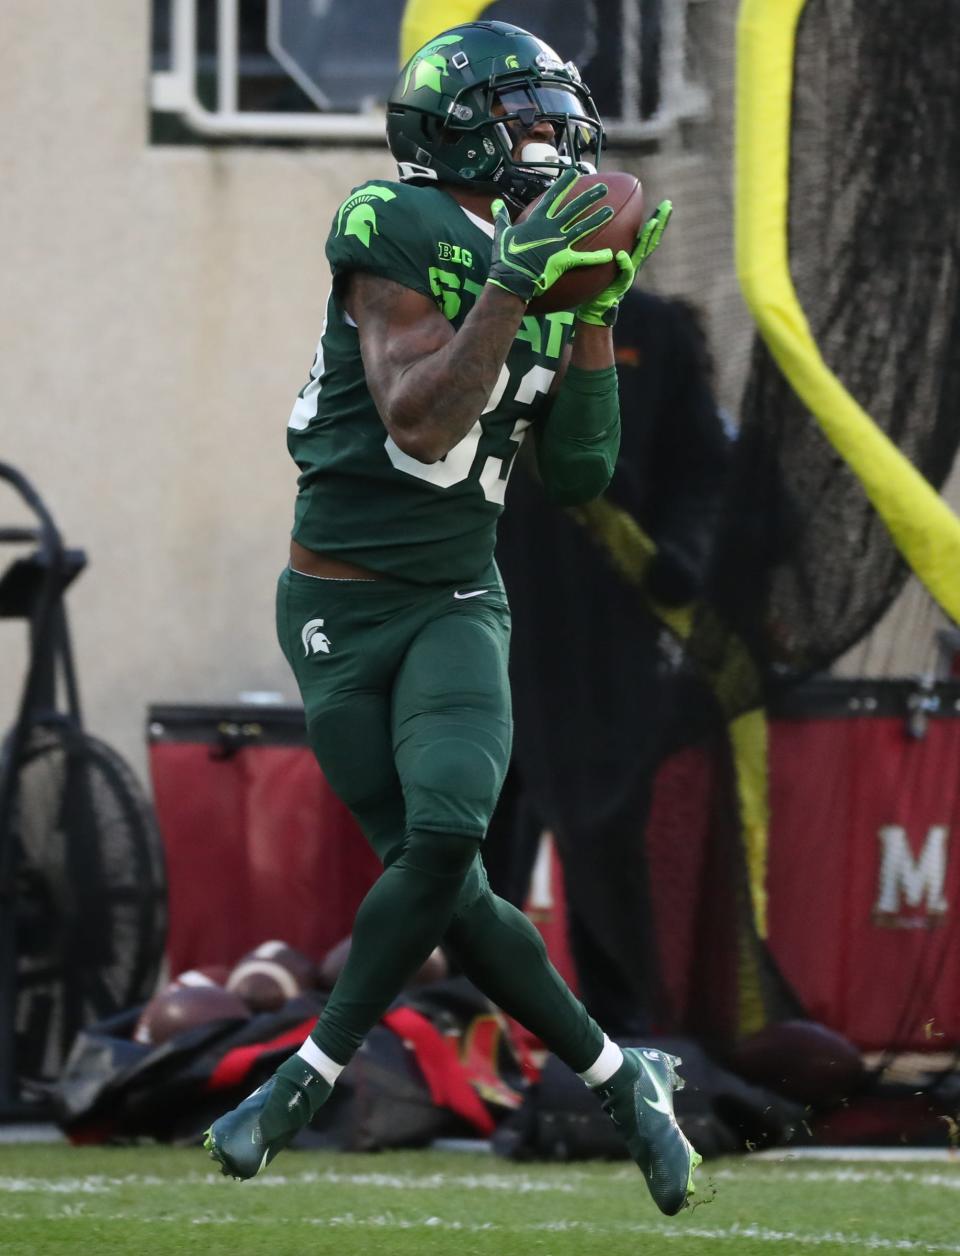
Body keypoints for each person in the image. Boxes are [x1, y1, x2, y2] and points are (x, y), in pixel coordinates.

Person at [204, 20, 700, 1215]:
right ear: (464, 127)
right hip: (334, 610)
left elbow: (580, 476)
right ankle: (621, 1076)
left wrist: (590, 318)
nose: (557, 138)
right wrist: (519, 282)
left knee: (442, 836)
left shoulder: (543, 252)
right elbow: (419, 417)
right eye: (529, 116)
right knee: (454, 887)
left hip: (458, 600)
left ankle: (301, 1079)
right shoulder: (396, 222)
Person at [491, 287, 734, 1035]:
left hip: (603, 638)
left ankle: (622, 1037)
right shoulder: (473, 310)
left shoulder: (654, 328)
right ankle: (460, 1029)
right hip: (484, 618)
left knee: (606, 842)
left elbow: (703, 469)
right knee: (467, 836)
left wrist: (681, 555)